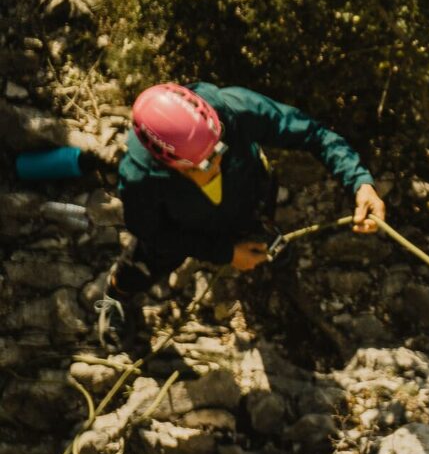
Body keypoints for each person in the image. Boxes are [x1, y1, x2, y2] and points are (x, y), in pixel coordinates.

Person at [110, 83, 385, 304]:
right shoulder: (140, 180)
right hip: (189, 226)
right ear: (169, 164)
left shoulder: (233, 109)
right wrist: (225, 253)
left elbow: (312, 133)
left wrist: (360, 182)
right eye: (204, 164)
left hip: (251, 198)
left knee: (264, 240)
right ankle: (117, 294)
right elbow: (151, 232)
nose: (217, 162)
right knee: (147, 262)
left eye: (219, 149)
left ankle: (270, 277)